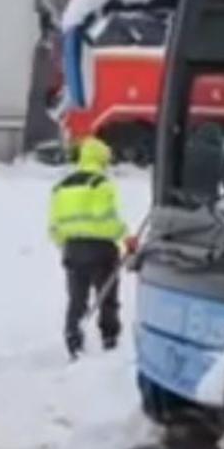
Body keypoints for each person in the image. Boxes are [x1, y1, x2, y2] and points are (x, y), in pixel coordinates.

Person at [48, 136, 136, 357]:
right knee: (107, 298)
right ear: (102, 159)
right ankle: (109, 339)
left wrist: (65, 245)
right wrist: (126, 237)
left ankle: (73, 342)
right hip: (101, 250)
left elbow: (54, 226)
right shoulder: (100, 184)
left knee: (77, 300)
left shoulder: (61, 187)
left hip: (72, 249)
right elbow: (107, 218)